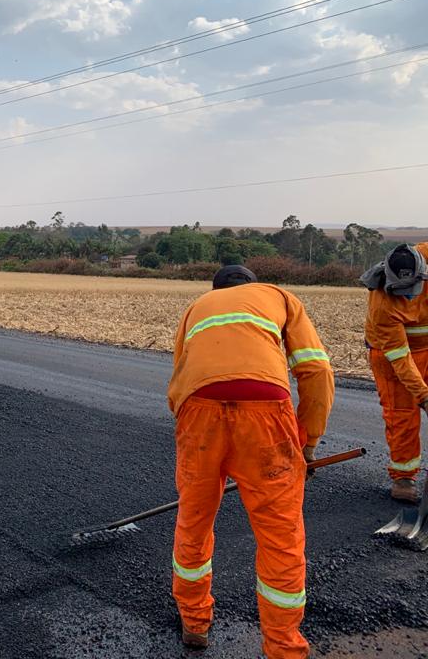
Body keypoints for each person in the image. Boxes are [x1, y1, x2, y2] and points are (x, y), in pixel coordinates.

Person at [167, 264, 334, 658]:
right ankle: (283, 648)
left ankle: (194, 623)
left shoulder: (196, 307)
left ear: (216, 288)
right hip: (265, 414)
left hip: (198, 413)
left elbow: (178, 382)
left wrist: (200, 436)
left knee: (193, 520)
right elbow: (316, 370)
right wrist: (306, 441)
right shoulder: (278, 297)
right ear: (253, 283)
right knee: (281, 537)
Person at [361, 243, 428, 503]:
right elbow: (401, 359)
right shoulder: (382, 305)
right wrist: (423, 396)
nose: (408, 297)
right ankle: (404, 477)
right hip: (391, 357)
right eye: (402, 292)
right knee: (402, 414)